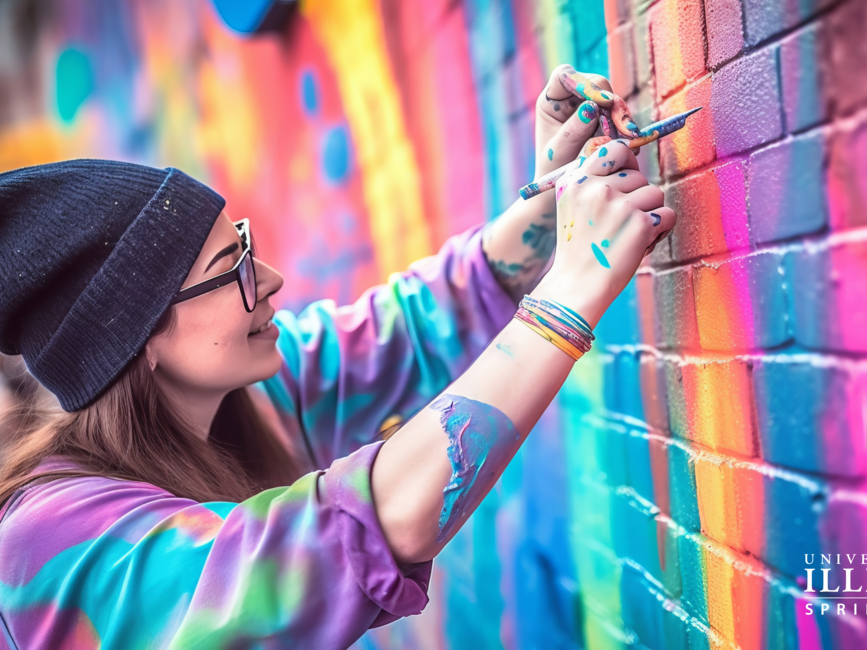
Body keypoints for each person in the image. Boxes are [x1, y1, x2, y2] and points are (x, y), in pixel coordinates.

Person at [0, 66, 675, 648]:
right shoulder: (47, 543)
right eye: (230, 268)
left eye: (244, 245)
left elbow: (412, 329)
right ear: (133, 337)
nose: (269, 280)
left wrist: (551, 205)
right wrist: (566, 297)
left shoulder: (240, 396)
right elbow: (335, 544)